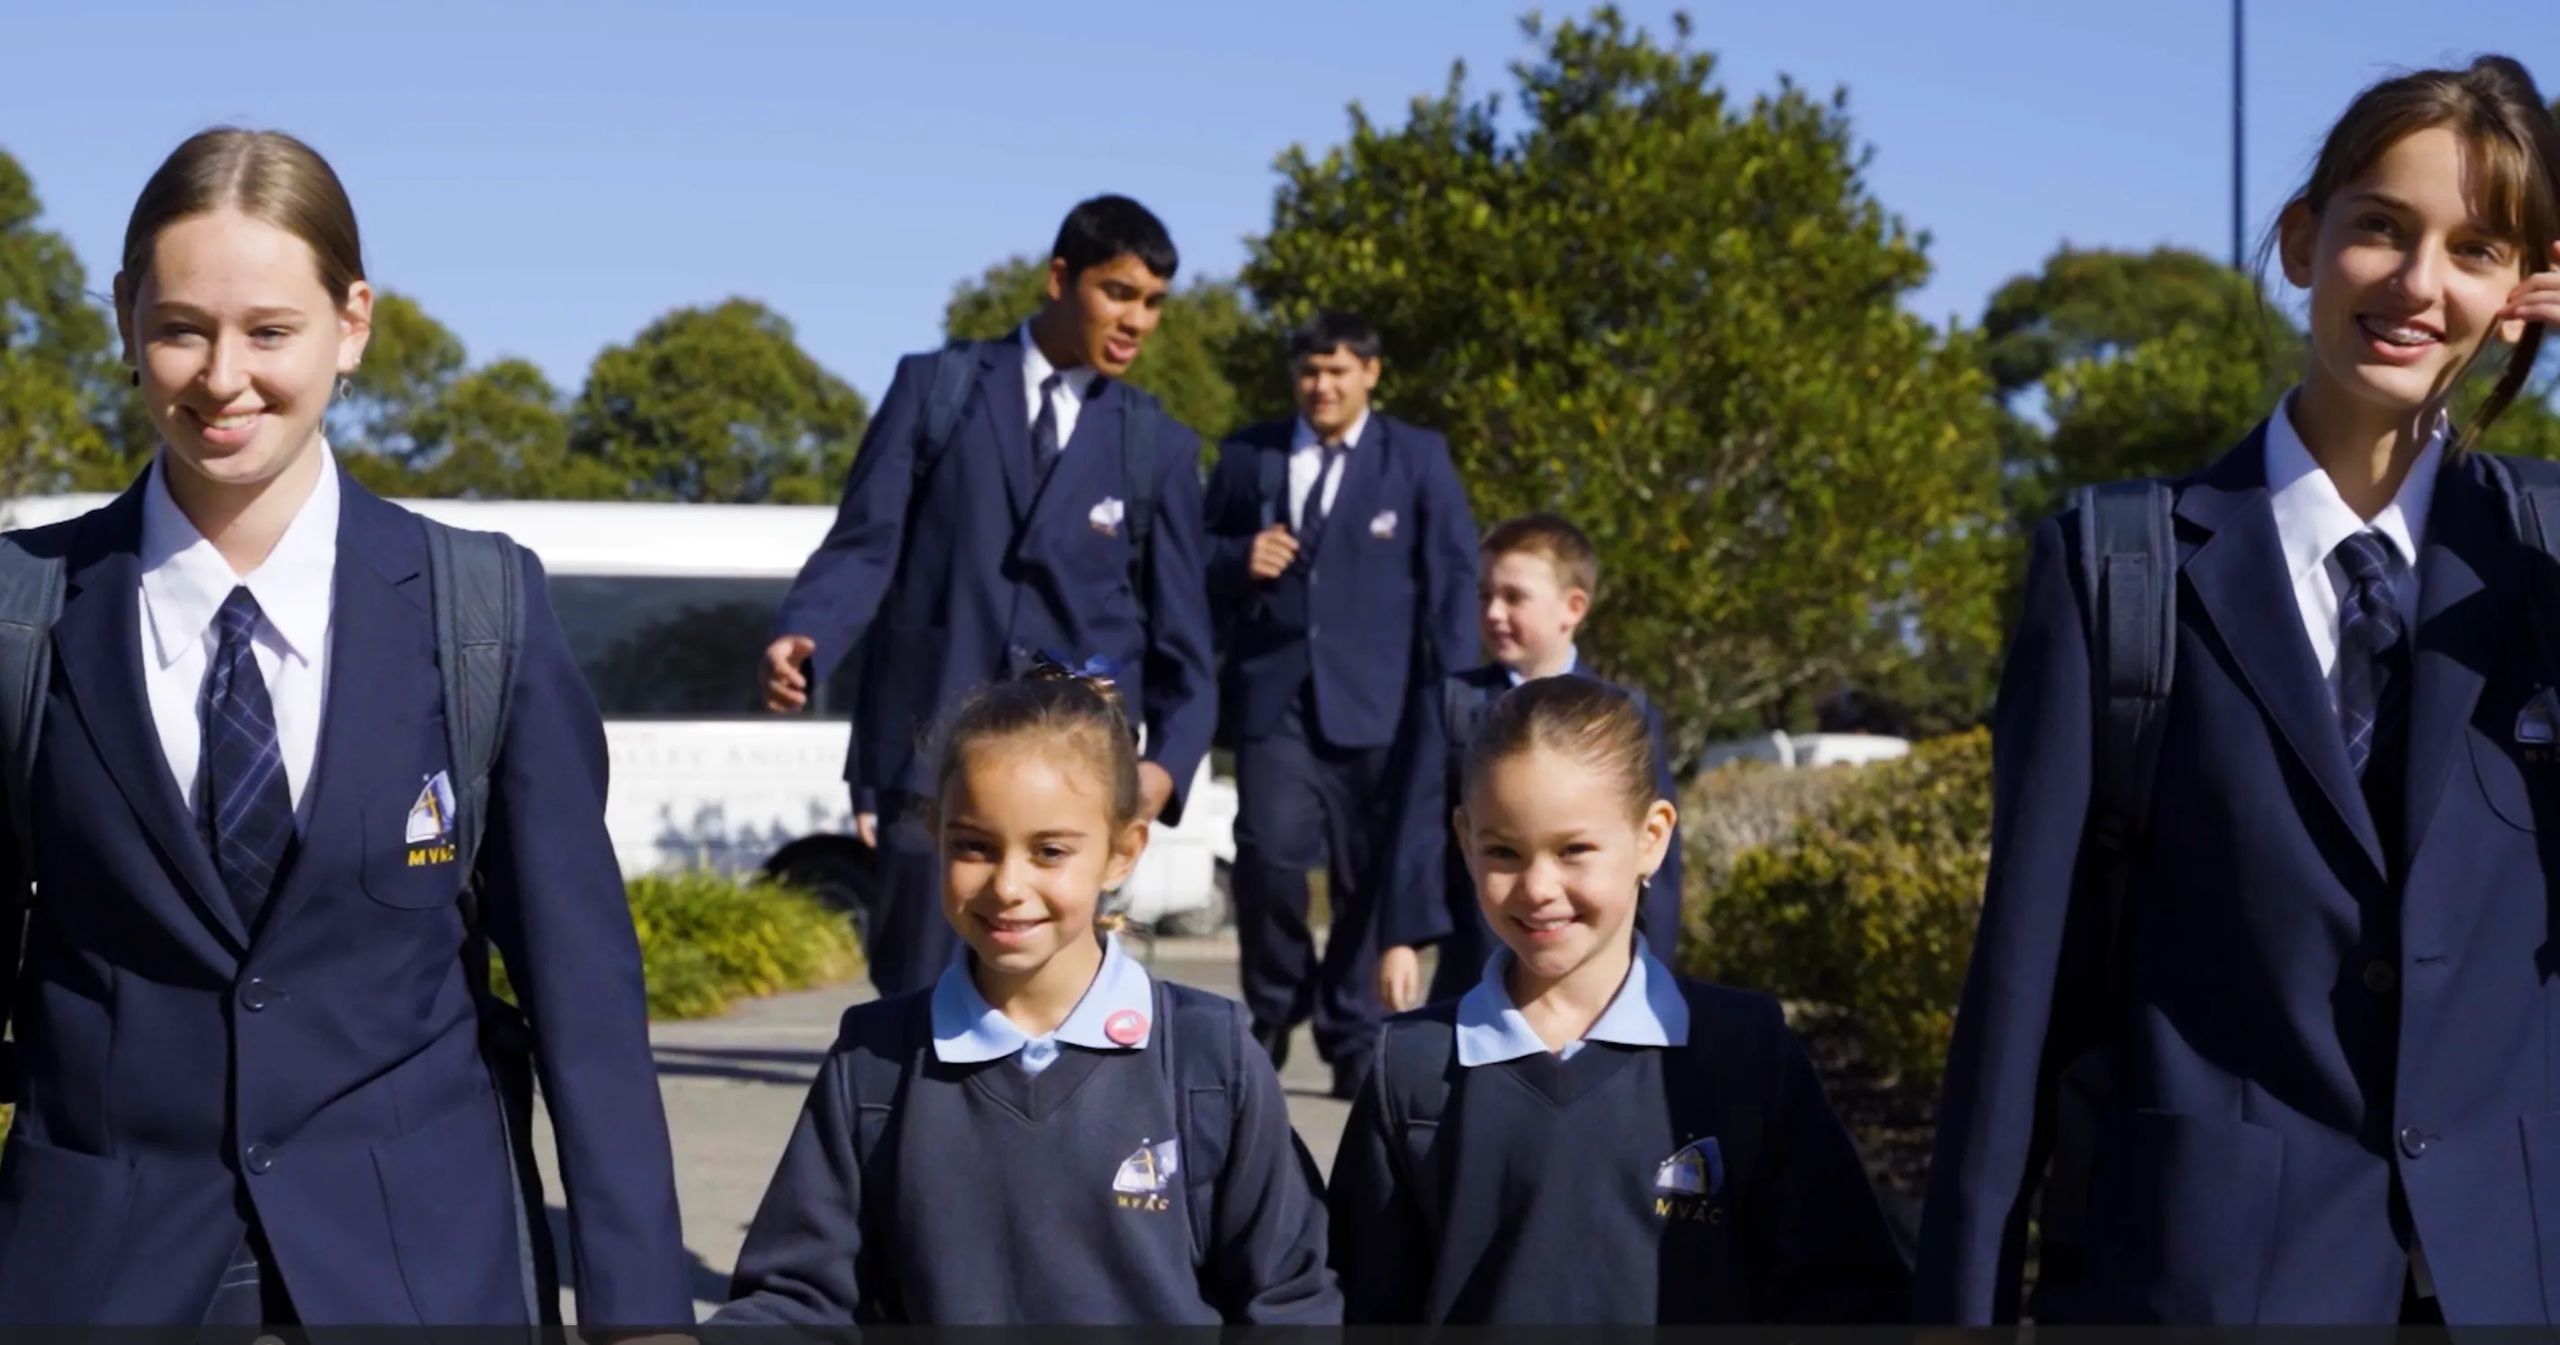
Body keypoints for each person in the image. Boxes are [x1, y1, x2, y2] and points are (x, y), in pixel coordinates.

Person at [0, 129, 688, 1326]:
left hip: (422, 1274)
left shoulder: (483, 611)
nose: (224, 377)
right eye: (180, 328)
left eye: (270, 330)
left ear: (351, 322)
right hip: (96, 1280)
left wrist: (638, 1309)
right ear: (123, 319)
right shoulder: (24, 616)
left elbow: (585, 999)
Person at [1917, 58, 2560, 1324]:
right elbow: (2021, 993)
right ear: (2300, 241)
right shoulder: (2121, 569)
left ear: (2522, 293)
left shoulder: (2542, 560)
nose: (2421, 284)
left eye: (2476, 249)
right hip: (2214, 1287)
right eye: (2381, 227)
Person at [717, 663, 1339, 1326]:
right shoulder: (873, 1062)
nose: (1008, 884)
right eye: (975, 846)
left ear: (1123, 850)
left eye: (1049, 851)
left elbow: (1289, 1299)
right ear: (935, 833)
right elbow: (799, 1296)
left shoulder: (1210, 1057)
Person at [1326, 677, 1907, 1324]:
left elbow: (1846, 1290)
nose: (1538, 886)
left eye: (1574, 849)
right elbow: (1360, 1302)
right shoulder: (1411, 1068)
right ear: (1464, 840)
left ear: (1652, 836)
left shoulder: (1743, 1051)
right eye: (1502, 851)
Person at [763, 195, 1215, 998]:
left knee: (1045, 1007)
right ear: (1059, 278)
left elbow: (1186, 641)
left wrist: (1162, 769)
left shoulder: (1158, 446)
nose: (1138, 320)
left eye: (1153, 303)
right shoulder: (934, 391)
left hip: (1075, 772)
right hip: (930, 757)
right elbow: (864, 544)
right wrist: (807, 630)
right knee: (914, 1002)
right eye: (1119, 292)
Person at [1201, 311, 1477, 1096]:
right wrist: (1237, 556)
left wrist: (1455, 695)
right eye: (1309, 372)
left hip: (1382, 704)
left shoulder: (1417, 458)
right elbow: (1188, 555)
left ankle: (1352, 1029)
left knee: (1366, 875)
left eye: (1338, 372)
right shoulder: (1249, 454)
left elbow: (1453, 579)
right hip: (1272, 700)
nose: (1321, 386)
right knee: (1269, 854)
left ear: (1371, 374)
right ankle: (1274, 1005)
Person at [1373, 513, 1684, 1010]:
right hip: (1475, 959)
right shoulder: (1451, 704)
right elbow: (1417, 831)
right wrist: (1400, 940)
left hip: (1599, 979)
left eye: (1514, 597)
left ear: (1573, 607)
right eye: (1485, 596)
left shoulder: (1626, 715)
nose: (1494, 612)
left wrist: (1658, 972)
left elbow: (1659, 868)